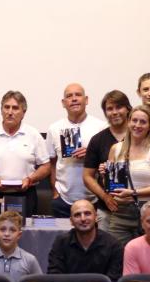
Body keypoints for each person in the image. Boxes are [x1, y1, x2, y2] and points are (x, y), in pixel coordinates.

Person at [0, 91, 50, 218]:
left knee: (27, 235)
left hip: (26, 195)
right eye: (6, 107)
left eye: (15, 108)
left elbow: (46, 166)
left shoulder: (33, 134)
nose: (10, 112)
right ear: (1, 110)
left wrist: (30, 179)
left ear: (23, 113)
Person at [106, 105, 150, 249]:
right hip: (120, 213)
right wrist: (105, 176)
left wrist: (133, 193)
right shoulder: (116, 149)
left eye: (143, 122)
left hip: (148, 212)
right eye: (134, 121)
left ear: (149, 126)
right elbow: (110, 185)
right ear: (128, 122)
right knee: (117, 257)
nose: (137, 125)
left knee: (147, 258)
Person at [46, 83, 107, 218]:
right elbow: (52, 162)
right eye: (69, 96)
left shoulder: (101, 127)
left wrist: (92, 154)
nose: (74, 99)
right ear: (63, 103)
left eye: (78, 95)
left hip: (94, 198)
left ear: (86, 100)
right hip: (63, 198)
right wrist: (55, 192)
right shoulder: (54, 128)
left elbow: (108, 162)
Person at [83, 90, 132, 231]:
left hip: (137, 208)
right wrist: (104, 197)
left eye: (119, 107)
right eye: (110, 109)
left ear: (128, 109)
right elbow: (87, 176)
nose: (115, 112)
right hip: (107, 210)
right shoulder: (98, 140)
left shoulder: (139, 135)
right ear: (105, 113)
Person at [48, 200, 123, 282]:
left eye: (87, 213)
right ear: (71, 221)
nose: (83, 219)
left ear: (96, 217)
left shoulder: (113, 245)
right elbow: (54, 278)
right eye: (77, 215)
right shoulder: (61, 243)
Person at [0, 210, 43, 282]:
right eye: (2, 229)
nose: (7, 234)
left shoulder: (30, 260)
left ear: (19, 235)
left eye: (12, 230)